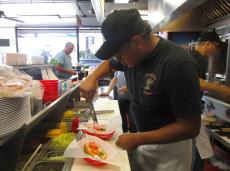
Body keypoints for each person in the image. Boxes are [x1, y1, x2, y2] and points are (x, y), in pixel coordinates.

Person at [79, 9, 202, 171]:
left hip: (171, 152)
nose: (119, 59)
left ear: (137, 41)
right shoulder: (130, 54)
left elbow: (191, 127)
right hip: (142, 141)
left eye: (119, 53)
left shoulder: (177, 65)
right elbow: (110, 64)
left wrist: (139, 139)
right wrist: (92, 78)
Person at [190, 31, 230, 171]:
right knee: (199, 152)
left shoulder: (191, 56)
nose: (216, 51)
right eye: (216, 46)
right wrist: (223, 90)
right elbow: (197, 82)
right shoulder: (200, 59)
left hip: (186, 111)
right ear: (208, 44)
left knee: (196, 150)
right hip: (190, 113)